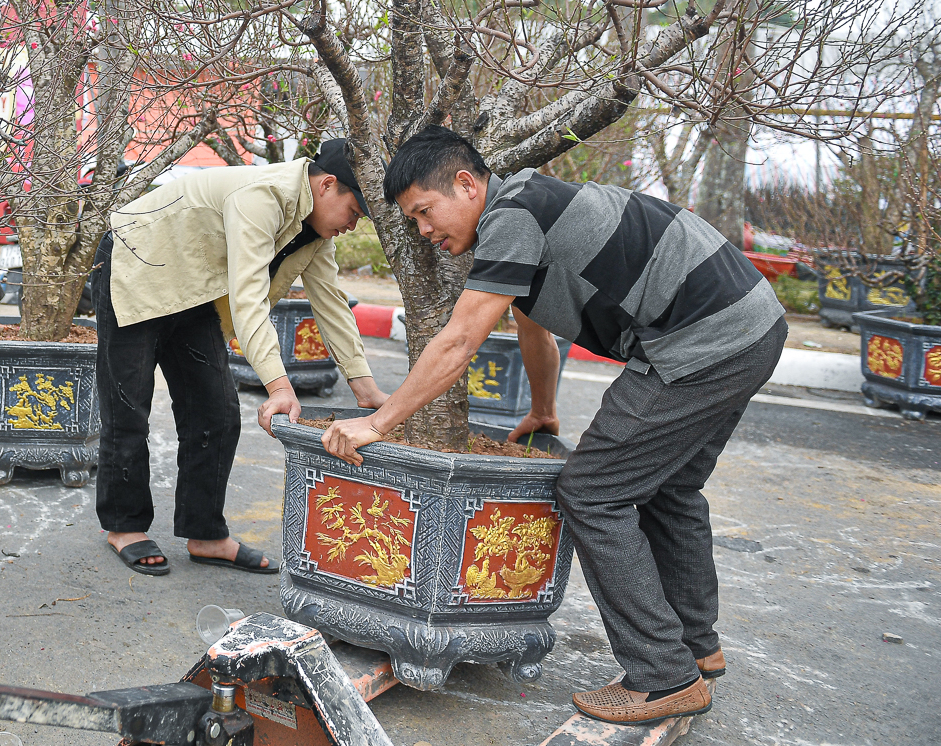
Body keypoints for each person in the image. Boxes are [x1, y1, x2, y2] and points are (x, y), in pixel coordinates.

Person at [320, 126, 785, 725]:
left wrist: (377, 423)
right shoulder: (529, 210)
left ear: (467, 183)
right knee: (670, 488)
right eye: (413, 221)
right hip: (749, 325)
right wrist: (543, 409)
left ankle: (662, 674)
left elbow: (460, 339)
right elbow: (534, 327)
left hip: (702, 338)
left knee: (591, 490)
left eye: (425, 212)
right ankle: (697, 646)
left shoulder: (510, 219)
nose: (425, 232)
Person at [94, 139, 390, 575]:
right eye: (354, 212)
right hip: (137, 268)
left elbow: (330, 302)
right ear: (328, 185)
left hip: (193, 289)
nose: (354, 224)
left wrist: (366, 389)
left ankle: (205, 533)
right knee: (128, 405)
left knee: (216, 411)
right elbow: (249, 295)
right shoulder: (262, 196)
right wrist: (278, 385)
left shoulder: (314, 231)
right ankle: (125, 526)